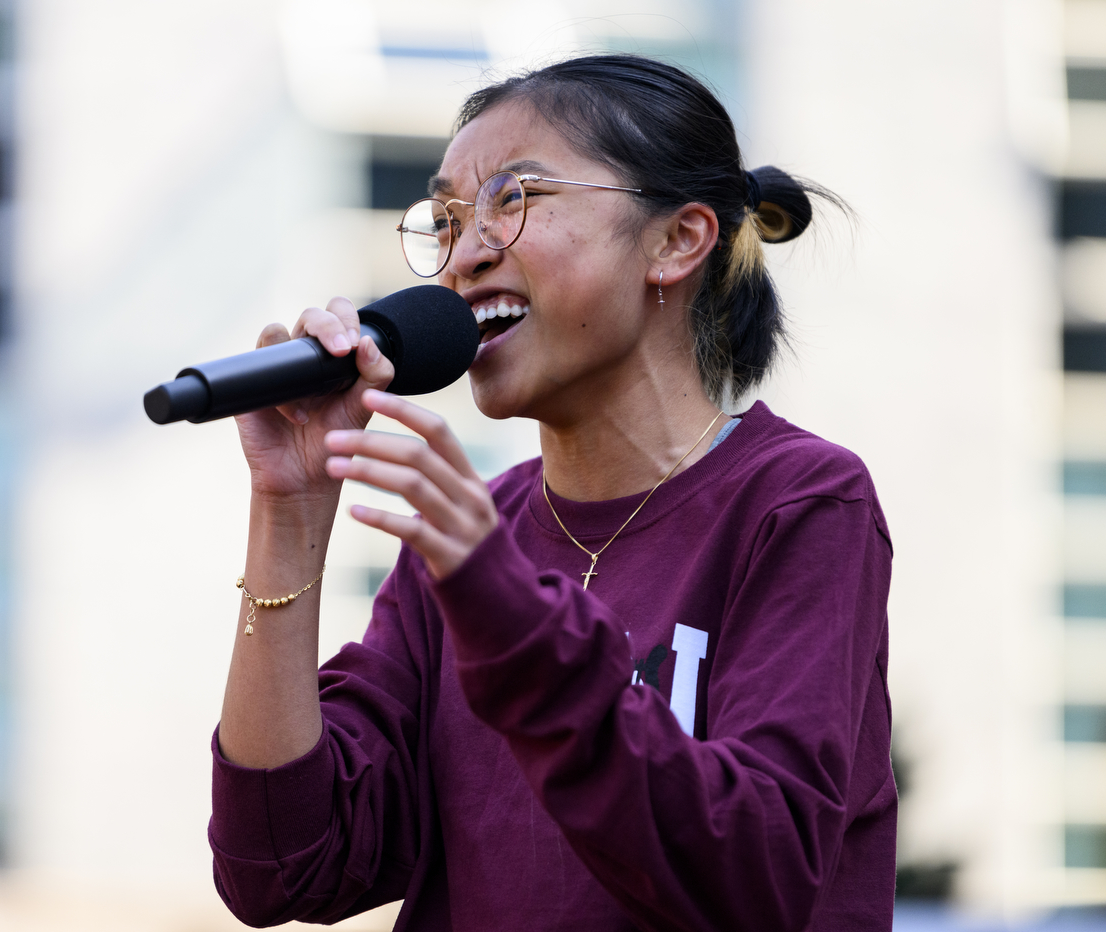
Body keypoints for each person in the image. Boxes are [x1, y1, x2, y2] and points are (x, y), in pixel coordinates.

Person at [209, 54, 894, 932]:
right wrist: (288, 508)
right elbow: (283, 869)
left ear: (677, 241)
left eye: (512, 199)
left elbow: (757, 875)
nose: (464, 254)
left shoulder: (798, 502)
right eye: (449, 220)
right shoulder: (466, 544)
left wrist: (510, 615)